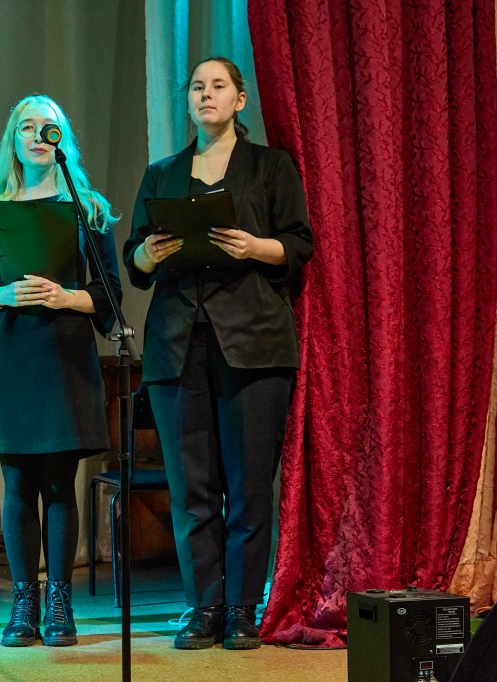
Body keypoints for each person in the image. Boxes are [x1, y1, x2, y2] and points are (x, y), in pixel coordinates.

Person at [123, 57, 313, 651]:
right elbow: (134, 259)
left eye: (218, 86)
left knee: (249, 483)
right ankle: (202, 604)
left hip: (254, 342)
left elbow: (299, 243)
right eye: (198, 87)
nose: (206, 95)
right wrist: (149, 254)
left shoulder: (270, 167)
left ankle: (241, 607)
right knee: (191, 487)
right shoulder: (162, 174)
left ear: (240, 99)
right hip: (177, 342)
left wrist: (255, 246)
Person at [0, 94, 122, 647]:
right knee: (17, 483)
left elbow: (109, 293)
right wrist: (2, 295)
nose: (36, 136)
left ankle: (59, 602)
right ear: (13, 140)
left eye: (47, 128)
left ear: (62, 140)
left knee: (59, 482)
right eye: (26, 127)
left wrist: (67, 297)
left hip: (63, 356)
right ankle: (22, 603)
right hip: (11, 358)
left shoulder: (87, 208)